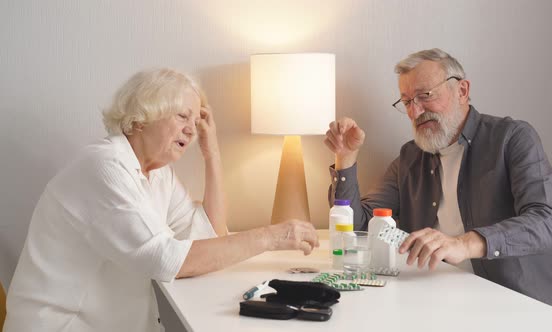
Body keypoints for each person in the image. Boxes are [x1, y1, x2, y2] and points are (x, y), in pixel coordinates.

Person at [5, 68, 319, 331]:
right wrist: (272, 236)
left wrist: (212, 153)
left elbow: (212, 234)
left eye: (195, 122)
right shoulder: (106, 167)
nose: (191, 129)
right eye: (183, 115)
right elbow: (169, 260)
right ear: (142, 117)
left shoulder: (157, 175)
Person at [324, 48, 552, 319]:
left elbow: (547, 222)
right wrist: (346, 158)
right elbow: (356, 226)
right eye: (407, 102)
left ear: (462, 90)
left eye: (425, 96)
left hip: (526, 308)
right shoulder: (410, 157)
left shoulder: (513, 138)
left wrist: (465, 244)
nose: (416, 111)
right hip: (442, 302)